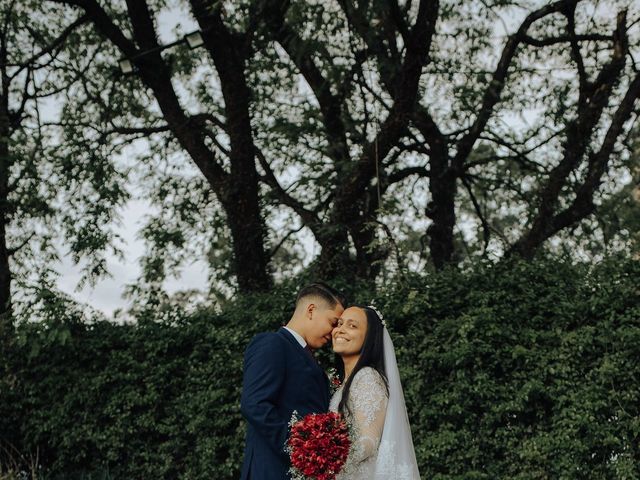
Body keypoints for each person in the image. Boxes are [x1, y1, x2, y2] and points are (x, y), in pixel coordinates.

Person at [240, 282, 346, 480]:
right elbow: (254, 404)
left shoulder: (309, 356)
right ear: (311, 310)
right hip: (272, 471)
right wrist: (302, 450)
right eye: (333, 322)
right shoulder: (272, 343)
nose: (333, 332)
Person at [330, 305, 420, 479]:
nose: (340, 330)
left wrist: (328, 456)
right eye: (339, 324)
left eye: (352, 326)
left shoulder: (367, 377)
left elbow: (369, 440)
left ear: (369, 338)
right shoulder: (344, 383)